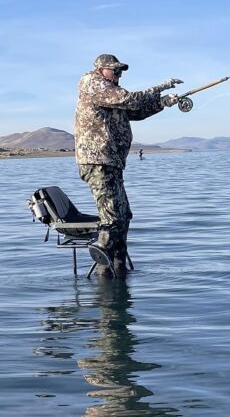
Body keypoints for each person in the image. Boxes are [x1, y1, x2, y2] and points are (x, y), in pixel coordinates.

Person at [75, 54, 181, 277]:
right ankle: (102, 258)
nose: (118, 75)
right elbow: (130, 99)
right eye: (115, 71)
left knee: (124, 216)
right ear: (101, 70)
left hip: (112, 162)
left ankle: (118, 268)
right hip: (98, 160)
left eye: (120, 72)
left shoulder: (110, 94)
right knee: (112, 217)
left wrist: (162, 103)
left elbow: (135, 111)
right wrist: (161, 87)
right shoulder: (92, 82)